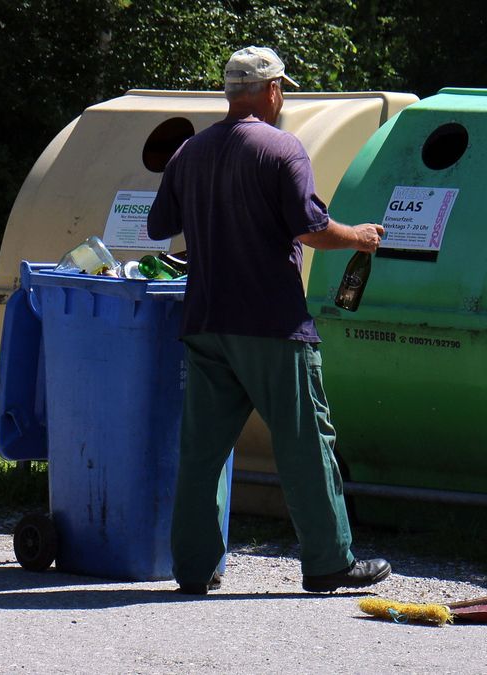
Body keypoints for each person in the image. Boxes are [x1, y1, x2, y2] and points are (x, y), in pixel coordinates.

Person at [147, 46, 390, 595]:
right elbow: (310, 229)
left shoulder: (189, 152)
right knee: (305, 442)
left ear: (232, 93)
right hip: (274, 326)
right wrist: (360, 238)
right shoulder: (282, 148)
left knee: (203, 452)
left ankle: (193, 568)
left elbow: (161, 224)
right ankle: (329, 562)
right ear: (274, 90)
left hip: (206, 321)